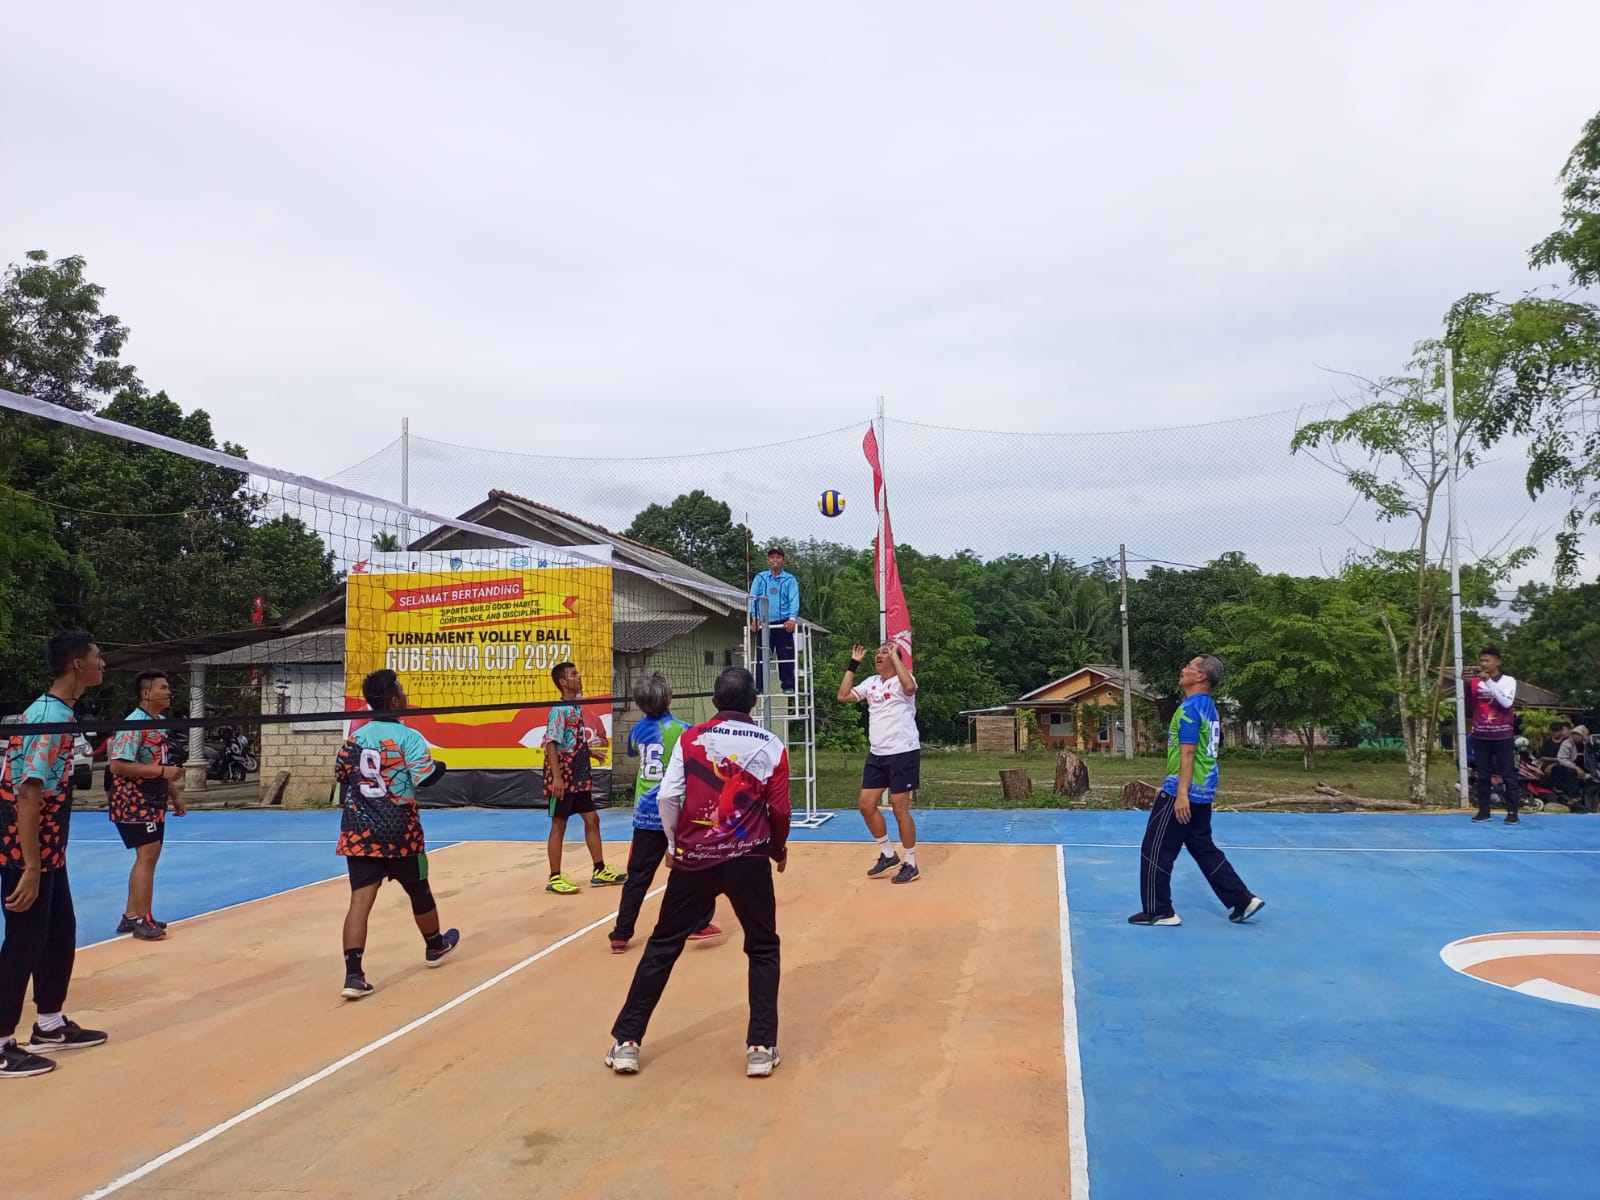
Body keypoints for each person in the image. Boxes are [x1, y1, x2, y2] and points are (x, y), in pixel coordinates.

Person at [605, 667, 790, 1078]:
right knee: (762, 947)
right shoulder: (772, 745)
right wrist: (777, 848)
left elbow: (668, 796)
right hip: (748, 860)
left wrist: (674, 846)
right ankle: (761, 1048)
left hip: (696, 858)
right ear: (754, 702)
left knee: (663, 945)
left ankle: (627, 1042)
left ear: (714, 702)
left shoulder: (691, 740)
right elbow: (779, 809)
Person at [1, 630, 109, 1079]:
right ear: (77, 665)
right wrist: (30, 866)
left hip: (47, 848)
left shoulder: (63, 713)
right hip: (26, 849)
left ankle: (49, 1024)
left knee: (60, 931)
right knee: (24, 940)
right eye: (98, 656)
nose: (103, 663)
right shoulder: (47, 717)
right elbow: (28, 794)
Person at [334, 669, 459, 1000]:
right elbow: (425, 777)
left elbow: (342, 775)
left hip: (359, 831)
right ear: (393, 700)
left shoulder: (354, 739)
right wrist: (441, 766)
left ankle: (354, 975)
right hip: (401, 831)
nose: (405, 695)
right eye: (401, 690)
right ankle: (435, 946)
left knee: (360, 900)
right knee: (419, 888)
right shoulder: (408, 736)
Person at [1129, 654, 1264, 928]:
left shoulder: (1189, 709)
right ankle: (1241, 899)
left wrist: (1181, 794)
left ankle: (1159, 910)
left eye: (1189, 666)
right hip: (1205, 789)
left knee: (1155, 848)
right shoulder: (1209, 707)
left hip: (1183, 790)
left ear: (1201, 676)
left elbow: (1188, 752)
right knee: (1202, 847)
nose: (1183, 669)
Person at [608, 673, 720, 952]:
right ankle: (698, 923)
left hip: (645, 815)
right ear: (669, 697)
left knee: (638, 877)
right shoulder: (685, 730)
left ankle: (621, 933)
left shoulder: (636, 731)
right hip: (676, 813)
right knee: (697, 868)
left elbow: (633, 752)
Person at [107, 670, 187, 942]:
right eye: (162, 687)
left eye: (168, 687)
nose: (168, 691)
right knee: (147, 855)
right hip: (132, 799)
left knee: (149, 856)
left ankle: (131, 916)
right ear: (146, 693)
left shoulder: (160, 723)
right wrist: (164, 773)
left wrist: (174, 794)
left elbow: (158, 762)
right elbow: (117, 765)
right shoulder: (134, 724)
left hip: (152, 798)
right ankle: (143, 920)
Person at [838, 641, 921, 884]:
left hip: (903, 752)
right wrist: (853, 664)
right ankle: (888, 854)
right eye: (878, 652)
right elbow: (843, 696)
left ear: (896, 658)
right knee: (866, 805)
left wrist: (895, 655)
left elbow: (908, 688)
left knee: (899, 808)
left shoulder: (905, 680)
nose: (879, 655)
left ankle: (911, 863)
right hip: (877, 754)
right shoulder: (872, 682)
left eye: (886, 652)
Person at [543, 662, 625, 895]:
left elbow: (570, 741)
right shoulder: (559, 711)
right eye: (573, 674)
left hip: (579, 774)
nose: (578, 677)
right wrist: (557, 778)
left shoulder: (576, 707)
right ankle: (554, 877)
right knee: (559, 823)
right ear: (562, 682)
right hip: (563, 775)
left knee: (592, 819)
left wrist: (590, 752)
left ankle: (599, 870)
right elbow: (551, 744)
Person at [1469, 646, 1520, 825]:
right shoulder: (1475, 682)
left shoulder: (1508, 681)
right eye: (1481, 660)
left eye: (1487, 660)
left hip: (1502, 735)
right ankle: (1484, 811)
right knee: (1483, 775)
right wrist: (1466, 683)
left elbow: (1506, 702)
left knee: (1508, 774)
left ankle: (1512, 812)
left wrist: (1489, 682)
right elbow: (1470, 705)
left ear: (1497, 662)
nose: (1484, 664)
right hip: (1481, 735)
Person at [749, 545, 800, 694]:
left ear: (783, 559)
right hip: (764, 625)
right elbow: (753, 598)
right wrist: (755, 617)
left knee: (786, 656)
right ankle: (760, 686)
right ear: (768, 560)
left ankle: (788, 685)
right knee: (762, 657)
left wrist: (792, 619)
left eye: (778, 557)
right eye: (772, 557)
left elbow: (794, 600)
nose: (775, 560)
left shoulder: (789, 579)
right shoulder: (761, 578)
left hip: (783, 624)